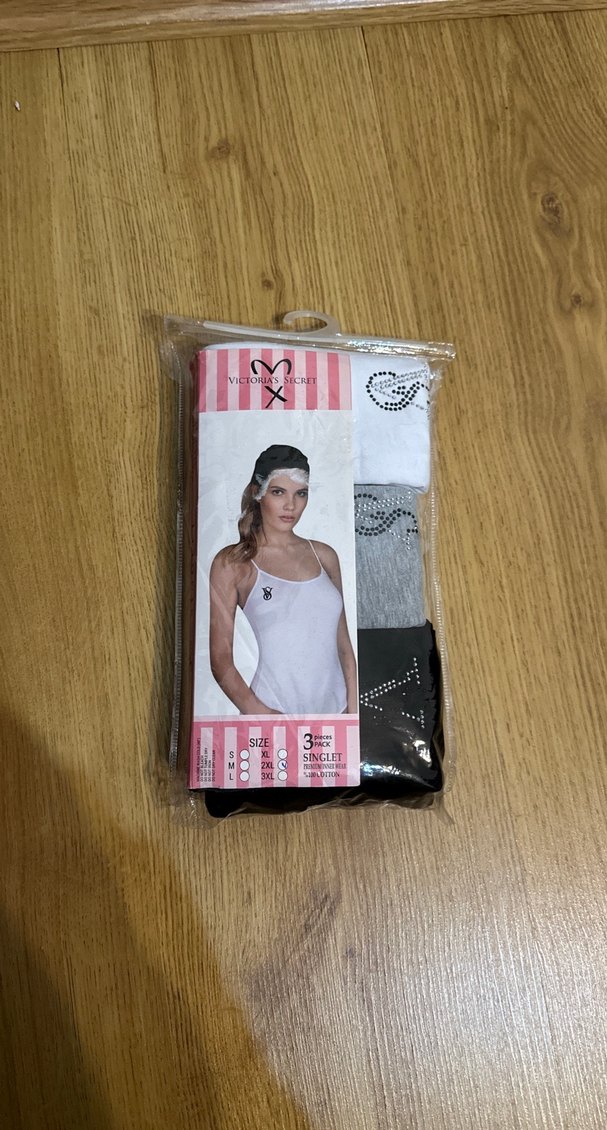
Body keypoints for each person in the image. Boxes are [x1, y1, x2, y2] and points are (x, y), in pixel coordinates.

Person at [209, 444, 357, 715]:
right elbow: (221, 659)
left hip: (337, 713)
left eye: (301, 494)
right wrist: (264, 716)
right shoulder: (233, 563)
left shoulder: (324, 555)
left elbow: (344, 647)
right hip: (272, 711)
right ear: (258, 493)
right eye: (278, 492)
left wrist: (353, 716)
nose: (291, 505)